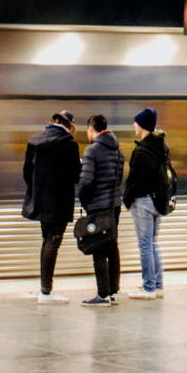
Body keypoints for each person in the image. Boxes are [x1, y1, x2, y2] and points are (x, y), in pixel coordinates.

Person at [19, 110, 80, 304]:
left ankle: (45, 289)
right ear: (69, 125)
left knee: (46, 241)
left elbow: (27, 172)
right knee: (53, 242)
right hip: (59, 200)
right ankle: (46, 292)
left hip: (40, 199)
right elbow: (75, 176)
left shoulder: (35, 140)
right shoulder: (68, 143)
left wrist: (38, 189)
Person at [121, 107, 174, 300]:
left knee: (145, 245)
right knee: (152, 243)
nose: (134, 125)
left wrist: (126, 200)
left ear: (142, 125)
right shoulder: (161, 147)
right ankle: (158, 285)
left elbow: (133, 180)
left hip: (142, 202)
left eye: (136, 122)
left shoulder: (141, 151)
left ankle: (148, 288)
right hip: (157, 201)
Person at [76, 113, 124, 306]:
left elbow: (86, 182)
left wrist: (84, 201)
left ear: (91, 129)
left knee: (98, 249)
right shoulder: (118, 151)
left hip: (97, 206)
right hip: (114, 205)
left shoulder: (91, 151)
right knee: (112, 245)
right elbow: (119, 180)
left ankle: (102, 295)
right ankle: (114, 292)